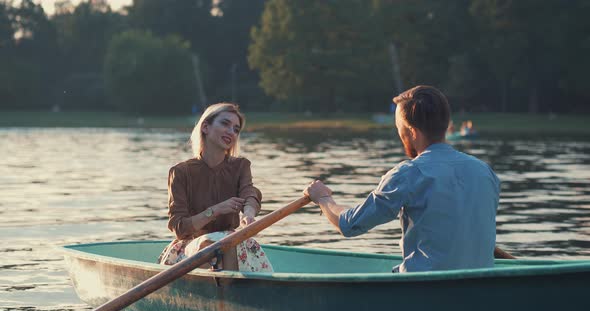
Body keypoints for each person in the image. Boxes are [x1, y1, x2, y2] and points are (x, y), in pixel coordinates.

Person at [304, 86, 500, 273]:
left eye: (400, 130)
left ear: (412, 132)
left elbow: (350, 224)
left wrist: (323, 199)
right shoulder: (484, 171)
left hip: (424, 289)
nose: (400, 135)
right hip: (478, 285)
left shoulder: (407, 174)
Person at [158, 103, 273, 272]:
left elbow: (249, 193)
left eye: (236, 129)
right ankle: (218, 293)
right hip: (192, 246)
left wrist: (248, 214)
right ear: (205, 127)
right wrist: (216, 210)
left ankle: (229, 293)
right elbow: (179, 228)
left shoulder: (241, 166)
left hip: (232, 242)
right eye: (225, 124)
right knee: (210, 245)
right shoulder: (180, 172)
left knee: (228, 242)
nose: (231, 132)